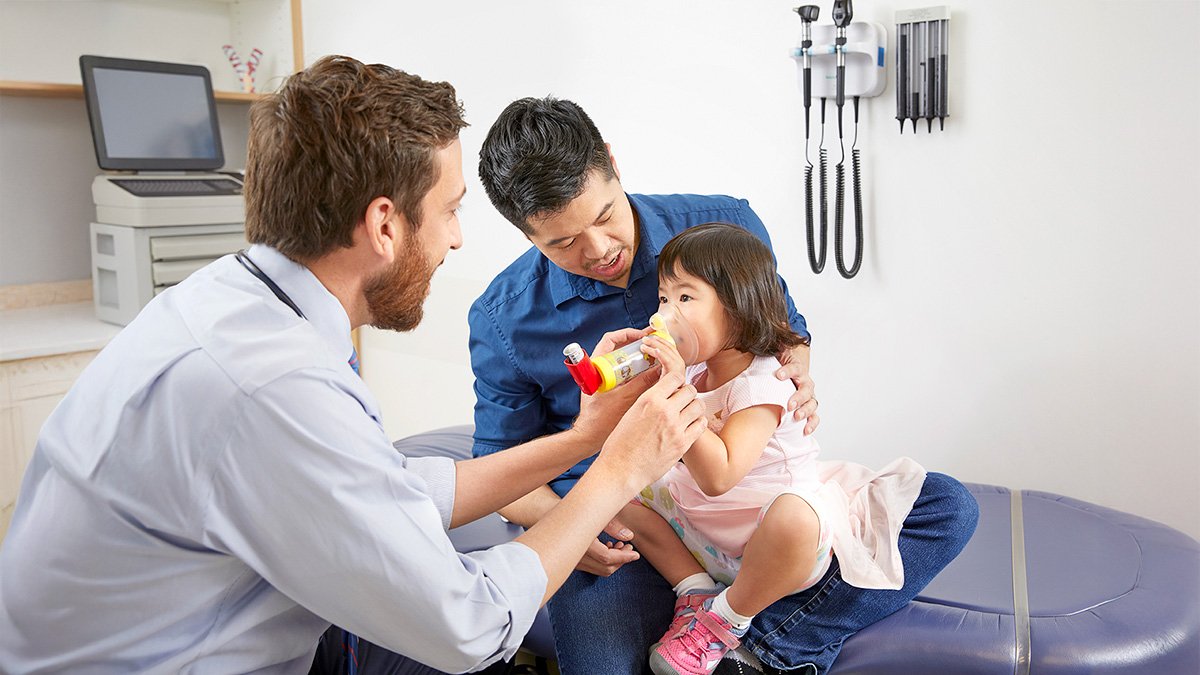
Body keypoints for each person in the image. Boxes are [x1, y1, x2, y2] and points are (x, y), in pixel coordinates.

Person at [0, 57, 709, 674]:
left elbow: (386, 485)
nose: (455, 241)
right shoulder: (273, 388)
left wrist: (585, 439)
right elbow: (468, 624)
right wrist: (616, 470)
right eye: (450, 211)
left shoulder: (241, 304)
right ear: (383, 226)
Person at [469, 97, 980, 674]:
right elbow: (498, 469)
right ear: (523, 232)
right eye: (562, 242)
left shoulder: (722, 228)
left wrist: (794, 373)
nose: (599, 250)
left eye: (605, 215)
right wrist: (569, 524)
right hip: (627, 520)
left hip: (744, 501)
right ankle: (725, 623)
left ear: (612, 163)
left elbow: (784, 331)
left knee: (945, 506)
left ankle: (765, 649)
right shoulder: (502, 317)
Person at [609, 223, 928, 674]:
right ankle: (695, 589)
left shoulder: (763, 382)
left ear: (738, 308)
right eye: (663, 298)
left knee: (797, 519)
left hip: (767, 539)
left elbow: (719, 476)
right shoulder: (697, 371)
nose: (666, 314)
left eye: (685, 298)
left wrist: (675, 389)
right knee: (615, 489)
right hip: (705, 532)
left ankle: (725, 621)